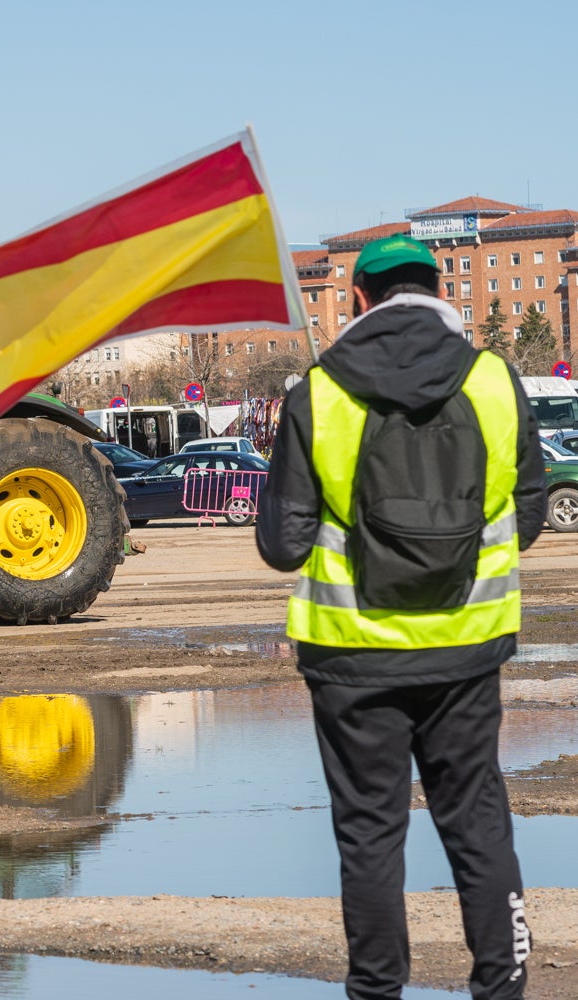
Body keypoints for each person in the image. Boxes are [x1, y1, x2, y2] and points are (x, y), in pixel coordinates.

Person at [256, 234, 543, 1000]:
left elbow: (283, 547)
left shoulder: (318, 391)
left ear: (356, 299)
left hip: (352, 657)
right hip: (467, 648)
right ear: (438, 288)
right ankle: (504, 985)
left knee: (370, 837)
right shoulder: (493, 381)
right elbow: (534, 514)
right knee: (478, 826)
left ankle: (376, 991)